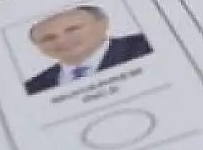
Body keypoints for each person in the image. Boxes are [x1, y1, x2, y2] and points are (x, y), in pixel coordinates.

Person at [24, 6, 152, 95]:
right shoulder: (33, 88)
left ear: (103, 24)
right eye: (48, 38)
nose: (61, 41)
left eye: (72, 29)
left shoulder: (148, 45)